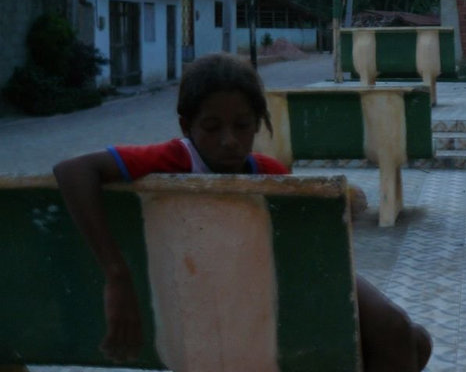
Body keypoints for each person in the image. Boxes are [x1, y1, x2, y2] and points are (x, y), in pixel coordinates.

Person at [53, 52, 432, 371]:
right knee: (406, 340)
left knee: (413, 339)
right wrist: (116, 275)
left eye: (242, 126)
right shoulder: (175, 159)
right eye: (212, 127)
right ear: (187, 126)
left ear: (258, 125)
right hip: (236, 315)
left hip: (276, 294)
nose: (229, 140)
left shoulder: (271, 174)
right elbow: (72, 170)